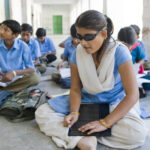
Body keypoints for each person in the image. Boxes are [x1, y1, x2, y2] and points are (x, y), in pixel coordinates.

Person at [35, 10, 147, 150]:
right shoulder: (78, 53)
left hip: (112, 102)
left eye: (88, 37)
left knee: (136, 134)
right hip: (85, 101)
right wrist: (74, 112)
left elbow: (132, 95)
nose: (82, 42)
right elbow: (75, 89)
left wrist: (105, 123)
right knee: (42, 113)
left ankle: (79, 134)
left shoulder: (120, 52)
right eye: (79, 36)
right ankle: (85, 138)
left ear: (104, 34)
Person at [0, 20, 40, 92]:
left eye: (6, 30)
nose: (1, 32)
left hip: (17, 77)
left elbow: (31, 69)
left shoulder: (23, 46)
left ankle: (5, 91)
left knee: (35, 78)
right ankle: (10, 90)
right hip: (2, 78)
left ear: (15, 35)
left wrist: (14, 73)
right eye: (1, 28)